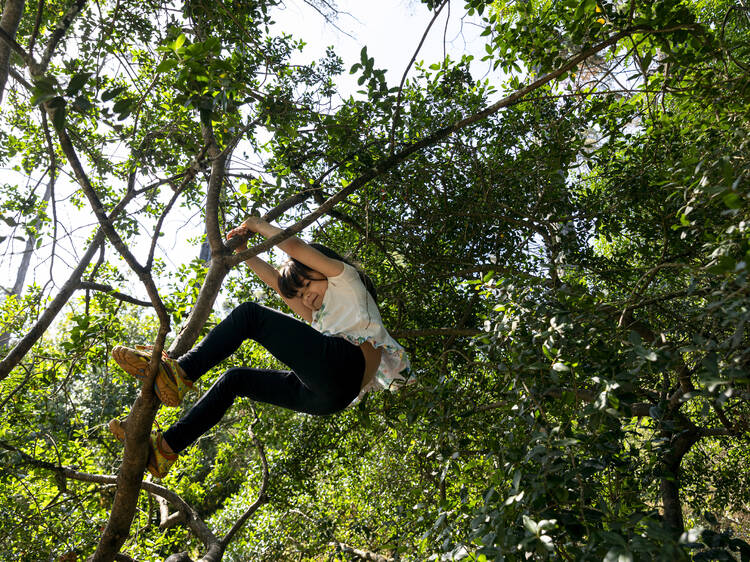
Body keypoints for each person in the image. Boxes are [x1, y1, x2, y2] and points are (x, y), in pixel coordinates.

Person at [109, 216, 411, 478]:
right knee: (234, 380)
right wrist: (243, 252)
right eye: (301, 294)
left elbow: (295, 249)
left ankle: (181, 373)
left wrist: (255, 225)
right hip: (326, 397)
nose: (306, 297)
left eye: (308, 285)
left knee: (250, 314)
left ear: (323, 268)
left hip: (345, 367)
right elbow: (277, 286)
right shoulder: (320, 315)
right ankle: (165, 449)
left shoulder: (345, 279)